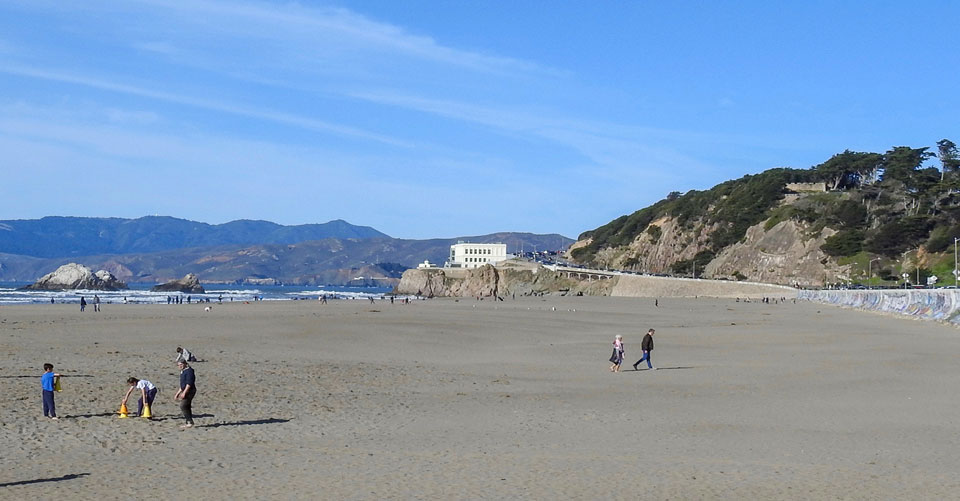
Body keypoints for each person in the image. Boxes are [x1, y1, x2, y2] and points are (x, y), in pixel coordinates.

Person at [174, 360, 197, 428]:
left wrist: (184, 392)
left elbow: (189, 384)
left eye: (181, 364)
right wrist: (177, 394)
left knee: (183, 405)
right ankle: (189, 422)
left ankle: (189, 421)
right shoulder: (183, 372)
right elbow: (182, 385)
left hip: (190, 391)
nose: (180, 366)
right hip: (185, 390)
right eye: (178, 365)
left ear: (185, 364)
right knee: (187, 406)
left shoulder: (189, 371)